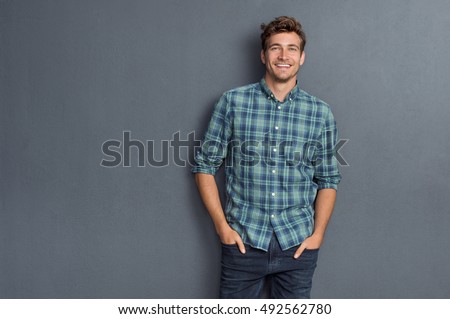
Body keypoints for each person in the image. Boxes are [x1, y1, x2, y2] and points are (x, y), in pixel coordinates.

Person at [192, 16, 341, 299]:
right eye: (275, 48)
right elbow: (204, 165)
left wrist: (317, 235)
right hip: (244, 243)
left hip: (297, 246)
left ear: (302, 57)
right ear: (263, 55)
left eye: (292, 48)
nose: (283, 56)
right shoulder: (233, 102)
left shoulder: (320, 113)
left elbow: (328, 179)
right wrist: (222, 227)